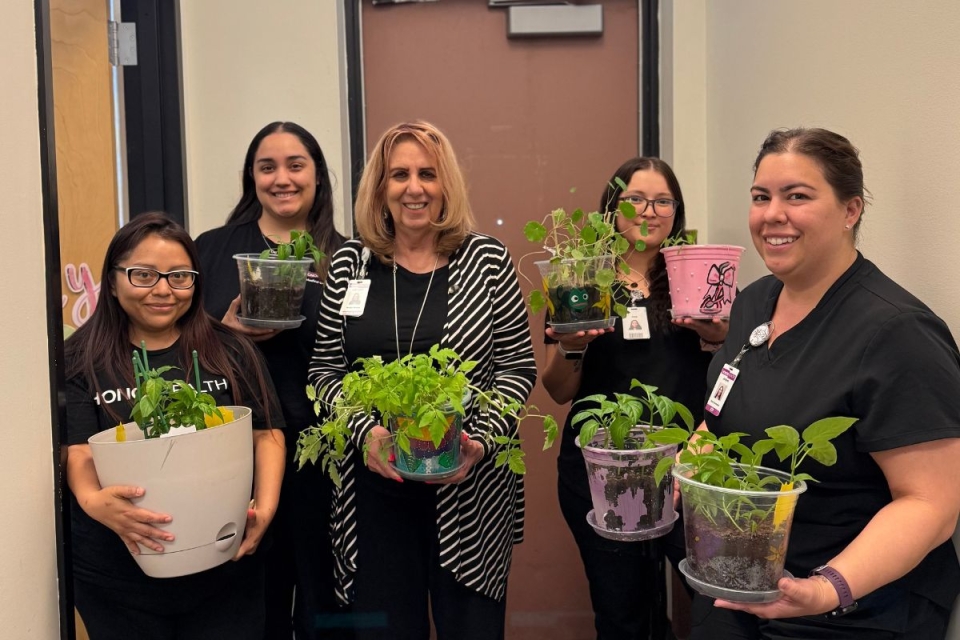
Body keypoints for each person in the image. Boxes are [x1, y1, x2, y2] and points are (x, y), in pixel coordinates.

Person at [692, 128, 960, 639]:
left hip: (852, 607)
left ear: (850, 210)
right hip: (741, 576)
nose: (773, 214)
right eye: (760, 197)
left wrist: (826, 587)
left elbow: (931, 505)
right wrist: (691, 464)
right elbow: (720, 415)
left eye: (797, 196)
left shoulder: (896, 332)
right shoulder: (753, 303)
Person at [307, 120, 537, 640]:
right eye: (399, 174)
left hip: (470, 490)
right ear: (381, 188)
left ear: (445, 185)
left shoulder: (487, 260)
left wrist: (478, 442)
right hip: (374, 494)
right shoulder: (352, 262)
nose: (414, 187)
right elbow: (324, 371)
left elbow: (517, 368)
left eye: (428, 174)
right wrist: (367, 433)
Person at [65, 212, 286, 639]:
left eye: (179, 276)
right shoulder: (79, 360)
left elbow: (267, 433)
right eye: (142, 275)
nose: (163, 290)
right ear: (112, 281)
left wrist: (266, 506)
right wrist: (95, 503)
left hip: (225, 571)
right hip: (119, 577)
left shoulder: (230, 350)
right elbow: (78, 450)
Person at [541, 157, 727, 639]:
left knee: (714, 603)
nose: (649, 210)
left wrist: (718, 337)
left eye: (663, 200)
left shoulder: (699, 279)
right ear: (612, 208)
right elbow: (558, 390)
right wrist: (573, 346)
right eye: (635, 199)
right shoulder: (581, 280)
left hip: (688, 467)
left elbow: (736, 372)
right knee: (621, 611)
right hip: (599, 470)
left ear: (676, 211)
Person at [194, 121, 346, 639]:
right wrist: (224, 331)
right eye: (267, 167)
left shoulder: (349, 257)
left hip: (326, 454)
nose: (282, 178)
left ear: (318, 177)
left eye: (295, 165)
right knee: (250, 594)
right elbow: (173, 342)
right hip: (237, 452)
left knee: (326, 593)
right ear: (251, 178)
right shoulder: (212, 250)